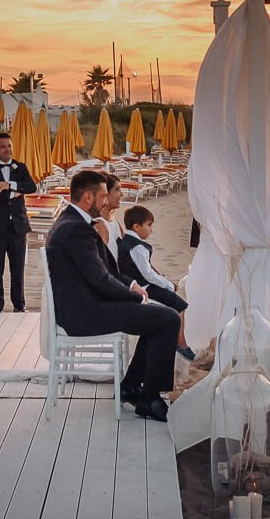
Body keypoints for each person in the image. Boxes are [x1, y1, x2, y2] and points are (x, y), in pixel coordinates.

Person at [47, 170, 181, 422]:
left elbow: (105, 272)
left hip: (85, 306)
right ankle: (149, 399)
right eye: (102, 196)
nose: (106, 201)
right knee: (169, 319)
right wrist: (134, 298)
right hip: (85, 314)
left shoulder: (71, 223)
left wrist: (131, 288)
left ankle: (131, 386)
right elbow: (101, 280)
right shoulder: (76, 230)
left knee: (158, 318)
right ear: (88, 197)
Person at [116, 206, 194, 359]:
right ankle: (181, 342)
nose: (151, 230)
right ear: (137, 227)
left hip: (137, 283)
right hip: (142, 287)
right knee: (180, 305)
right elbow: (148, 274)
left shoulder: (128, 241)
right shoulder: (137, 247)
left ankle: (179, 341)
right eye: (149, 225)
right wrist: (169, 285)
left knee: (176, 301)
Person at [0, 133, 36, 313]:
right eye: (3, 147)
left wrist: (9, 184)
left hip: (18, 226)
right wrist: (16, 192)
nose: (7, 150)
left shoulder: (21, 167)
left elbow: (32, 186)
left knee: (18, 268)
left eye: (9, 146)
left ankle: (19, 304)